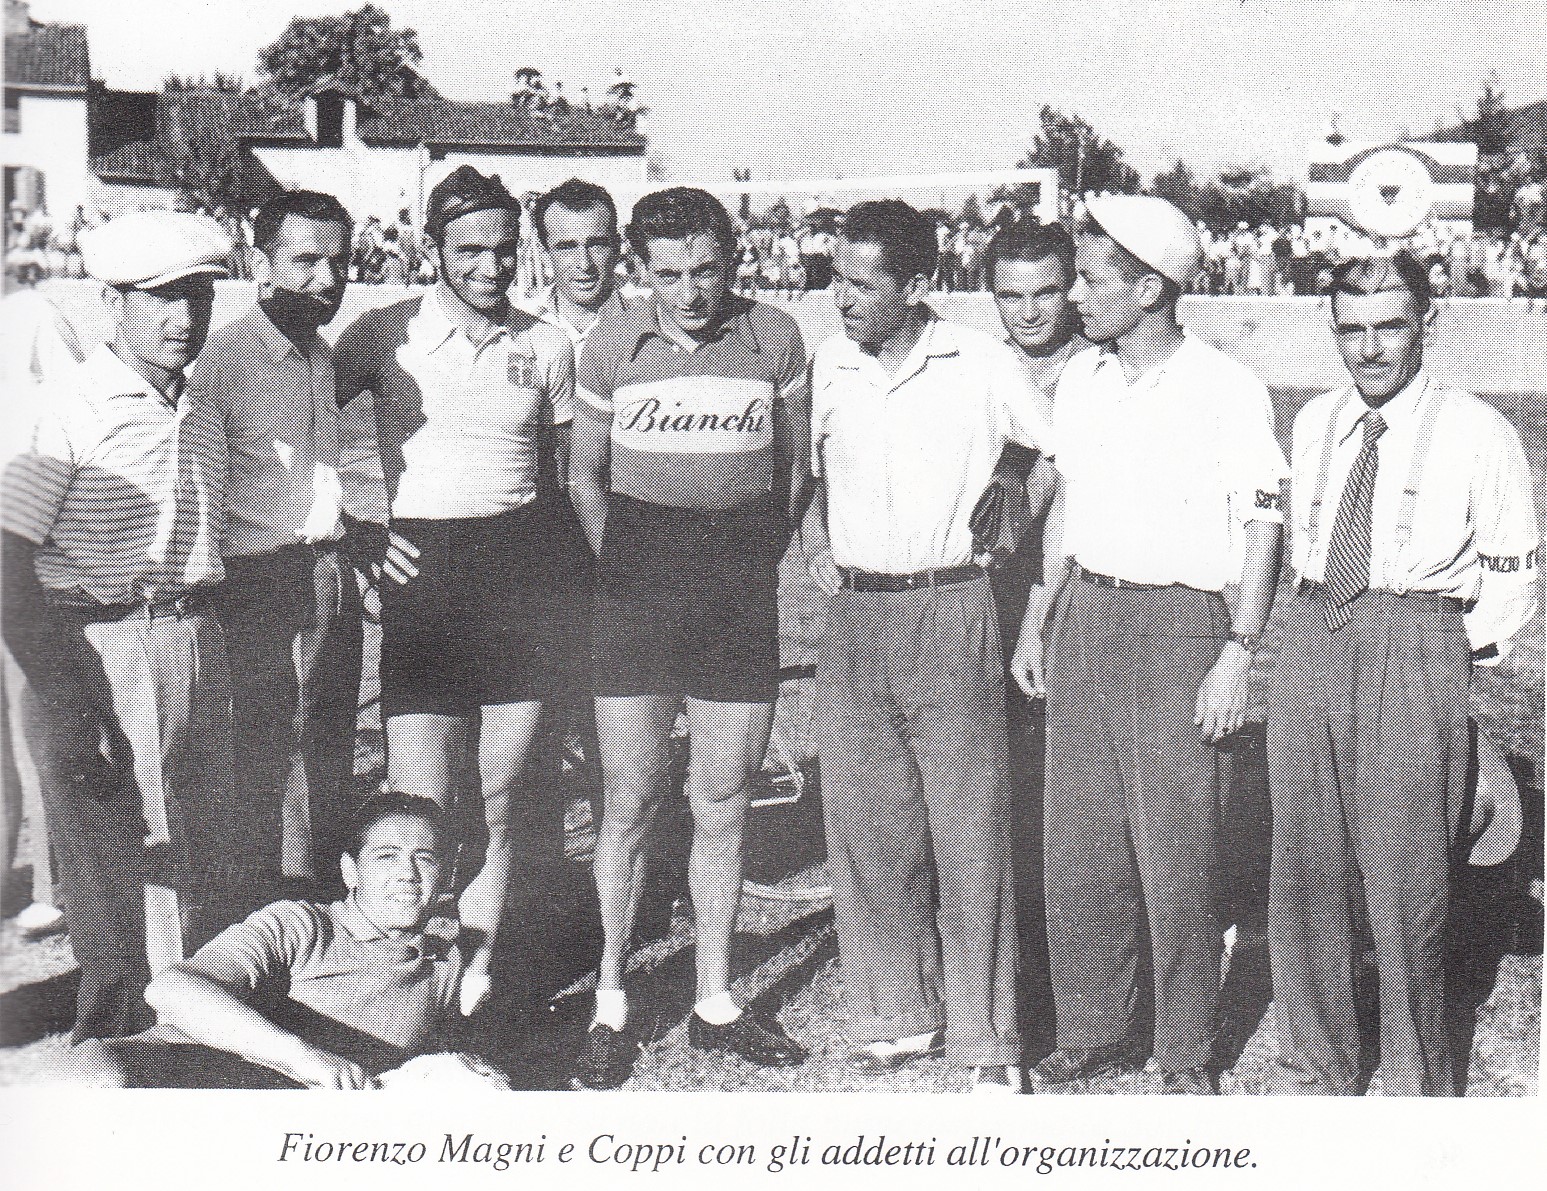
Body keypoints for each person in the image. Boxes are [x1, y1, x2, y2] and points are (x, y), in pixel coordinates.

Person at [1013, 195, 1288, 1094]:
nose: (1075, 299)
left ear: (1148, 286)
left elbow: (1260, 526)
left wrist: (1237, 649)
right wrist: (1035, 620)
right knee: (1080, 841)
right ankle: (1093, 1027)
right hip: (1086, 615)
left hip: (1180, 629)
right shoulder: (1083, 380)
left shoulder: (1223, 385)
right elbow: (1065, 512)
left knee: (1179, 848)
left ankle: (1183, 1048)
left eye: (1090, 280)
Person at [1267, 253, 1540, 1096]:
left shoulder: (1476, 430)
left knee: (1405, 878)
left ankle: (1414, 1082)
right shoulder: (1314, 419)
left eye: (1388, 326)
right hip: (1314, 628)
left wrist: (1445, 657)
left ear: (1429, 320)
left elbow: (1512, 573)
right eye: (1350, 329)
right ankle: (1317, 1062)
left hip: (1417, 633)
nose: (1369, 349)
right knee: (1304, 867)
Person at [805, 199, 1055, 1092]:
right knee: (871, 827)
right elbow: (806, 469)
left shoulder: (982, 363)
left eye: (861, 283)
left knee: (969, 834)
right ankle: (895, 1011)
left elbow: (1057, 452)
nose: (840, 297)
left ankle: (990, 1039)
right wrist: (813, 537)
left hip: (952, 608)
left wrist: (1012, 494)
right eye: (835, 277)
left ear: (916, 286)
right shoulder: (830, 361)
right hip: (857, 618)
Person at [568, 187, 810, 1088]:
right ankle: (608, 997)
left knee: (723, 798)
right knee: (627, 800)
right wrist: (630, 571)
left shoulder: (775, 336)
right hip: (637, 586)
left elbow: (793, 474)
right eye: (668, 272)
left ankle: (714, 998)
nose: (690, 290)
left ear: (733, 258)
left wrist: (749, 562)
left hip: (734, 589)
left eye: (705, 268)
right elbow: (585, 479)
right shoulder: (610, 343)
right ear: (641, 270)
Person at [333, 166, 585, 1018]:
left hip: (518, 575)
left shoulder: (547, 343)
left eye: (502, 249)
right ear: (431, 248)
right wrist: (358, 531)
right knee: (421, 807)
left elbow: (561, 480)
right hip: (425, 574)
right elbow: (296, 434)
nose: (487, 267)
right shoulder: (380, 334)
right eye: (468, 249)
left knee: (503, 797)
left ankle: (474, 978)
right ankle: (407, 981)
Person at [1, 211, 236, 1042]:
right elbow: (7, 561)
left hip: (194, 633)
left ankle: (198, 1031)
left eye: (198, 296)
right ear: (111, 302)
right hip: (97, 644)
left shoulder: (198, 405)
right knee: (124, 870)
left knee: (199, 852)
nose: (183, 318)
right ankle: (122, 1050)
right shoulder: (64, 408)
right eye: (161, 298)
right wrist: (69, 701)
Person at [66, 792, 505, 1089]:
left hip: (309, 1123)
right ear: (351, 872)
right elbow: (171, 990)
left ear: (444, 876)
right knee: (93, 1069)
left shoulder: (448, 963)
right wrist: (306, 1058)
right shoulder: (300, 925)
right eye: (385, 857)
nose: (405, 873)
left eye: (422, 859)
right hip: (202, 1076)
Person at [185, 191, 362, 909]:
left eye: (339, 262)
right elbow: (200, 489)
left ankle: (318, 900)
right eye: (306, 261)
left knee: (327, 744)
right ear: (260, 263)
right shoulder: (222, 359)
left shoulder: (319, 351)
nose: (326, 280)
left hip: (326, 571)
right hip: (258, 578)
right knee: (270, 754)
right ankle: (273, 912)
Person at [1, 269, 83, 939]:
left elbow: (76, 405)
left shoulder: (31, 314)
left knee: (37, 726)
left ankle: (59, 883)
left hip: (21, 542)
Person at [525, 179, 628, 350]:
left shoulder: (648, 322)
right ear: (545, 255)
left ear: (616, 248)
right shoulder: (520, 325)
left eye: (596, 245)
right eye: (567, 248)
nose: (584, 263)